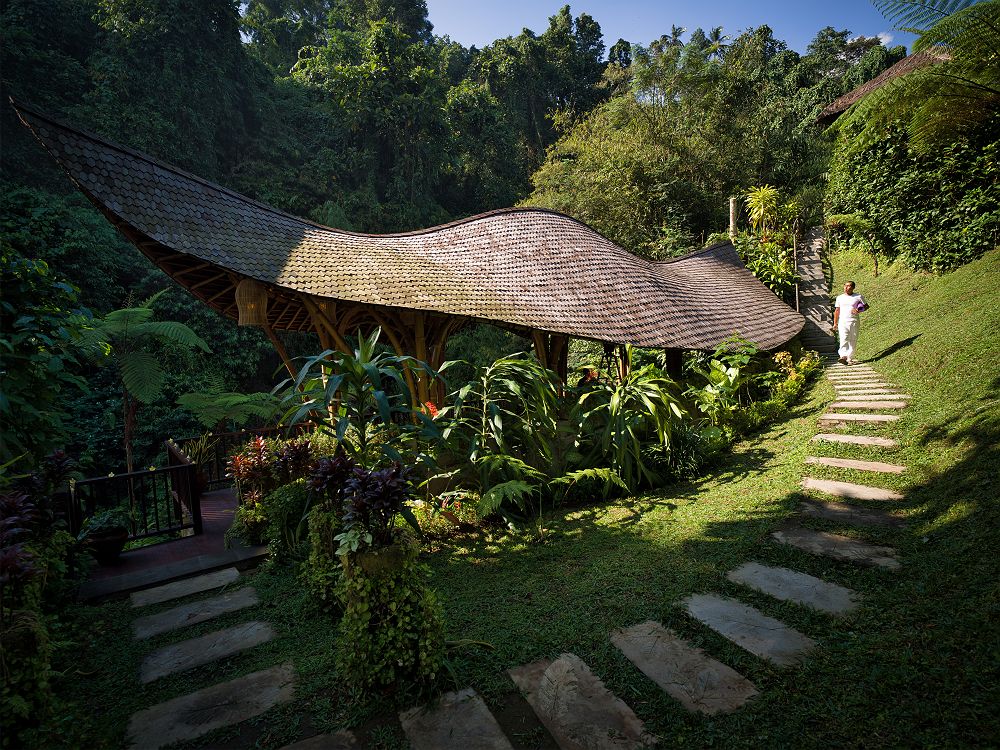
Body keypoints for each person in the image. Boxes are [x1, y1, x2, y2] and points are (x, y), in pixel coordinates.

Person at [833, 280, 867, 365]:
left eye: (849, 286)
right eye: (845, 286)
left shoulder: (858, 296)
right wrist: (835, 323)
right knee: (843, 338)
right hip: (843, 322)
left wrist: (858, 310)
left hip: (854, 321)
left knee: (853, 339)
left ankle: (849, 358)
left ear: (853, 288)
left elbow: (866, 306)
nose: (846, 287)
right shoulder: (839, 298)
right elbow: (837, 310)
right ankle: (843, 356)